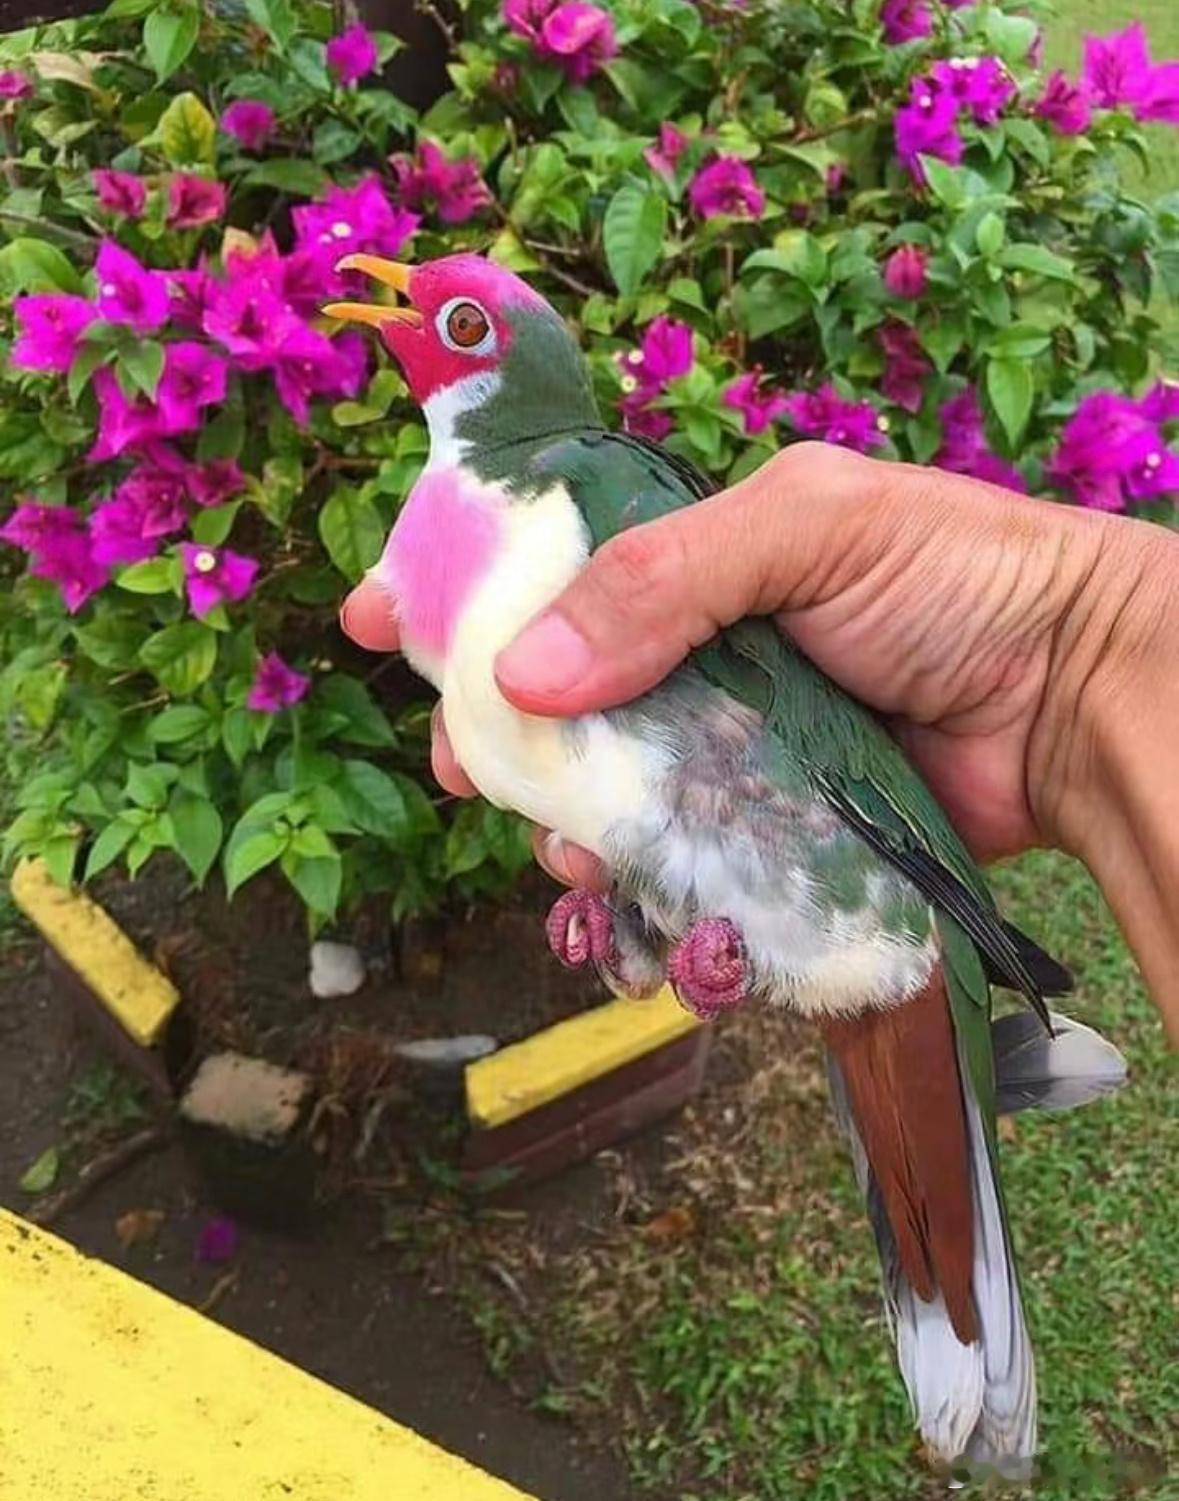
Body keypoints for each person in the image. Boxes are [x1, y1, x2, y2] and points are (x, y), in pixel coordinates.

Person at [341, 441, 1179, 1040]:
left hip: (862, 892)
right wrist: (1073, 666)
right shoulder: (456, 544)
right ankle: (649, 923)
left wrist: (1076, 651)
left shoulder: (585, 486)